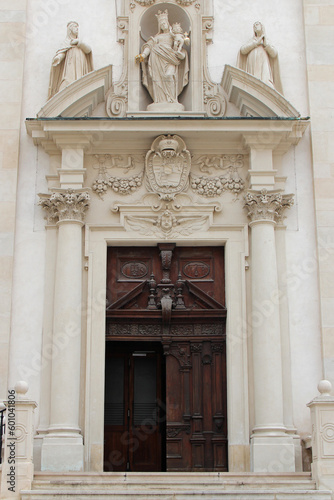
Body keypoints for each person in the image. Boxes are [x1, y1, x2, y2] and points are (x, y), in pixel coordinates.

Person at [135, 10, 189, 106]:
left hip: (171, 58)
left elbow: (181, 49)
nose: (163, 25)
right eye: (161, 23)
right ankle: (159, 101)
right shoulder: (157, 37)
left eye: (164, 23)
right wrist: (143, 55)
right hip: (157, 59)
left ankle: (172, 99)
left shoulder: (173, 35)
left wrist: (182, 55)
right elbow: (149, 46)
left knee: (169, 75)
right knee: (157, 79)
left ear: (168, 23)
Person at [48, 21, 93, 100]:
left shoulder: (79, 42)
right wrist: (58, 58)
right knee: (67, 80)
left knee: (80, 80)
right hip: (70, 65)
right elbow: (62, 53)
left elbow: (88, 50)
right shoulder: (66, 42)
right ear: (70, 29)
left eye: (77, 27)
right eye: (75, 27)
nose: (77, 29)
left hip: (80, 64)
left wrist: (78, 43)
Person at [237, 21, 283, 94]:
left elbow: (274, 54)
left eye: (257, 25)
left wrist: (266, 45)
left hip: (263, 63)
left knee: (266, 81)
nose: (255, 26)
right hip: (252, 64)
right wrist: (255, 43)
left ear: (262, 27)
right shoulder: (252, 41)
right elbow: (243, 50)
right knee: (253, 81)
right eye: (254, 26)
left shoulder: (266, 41)